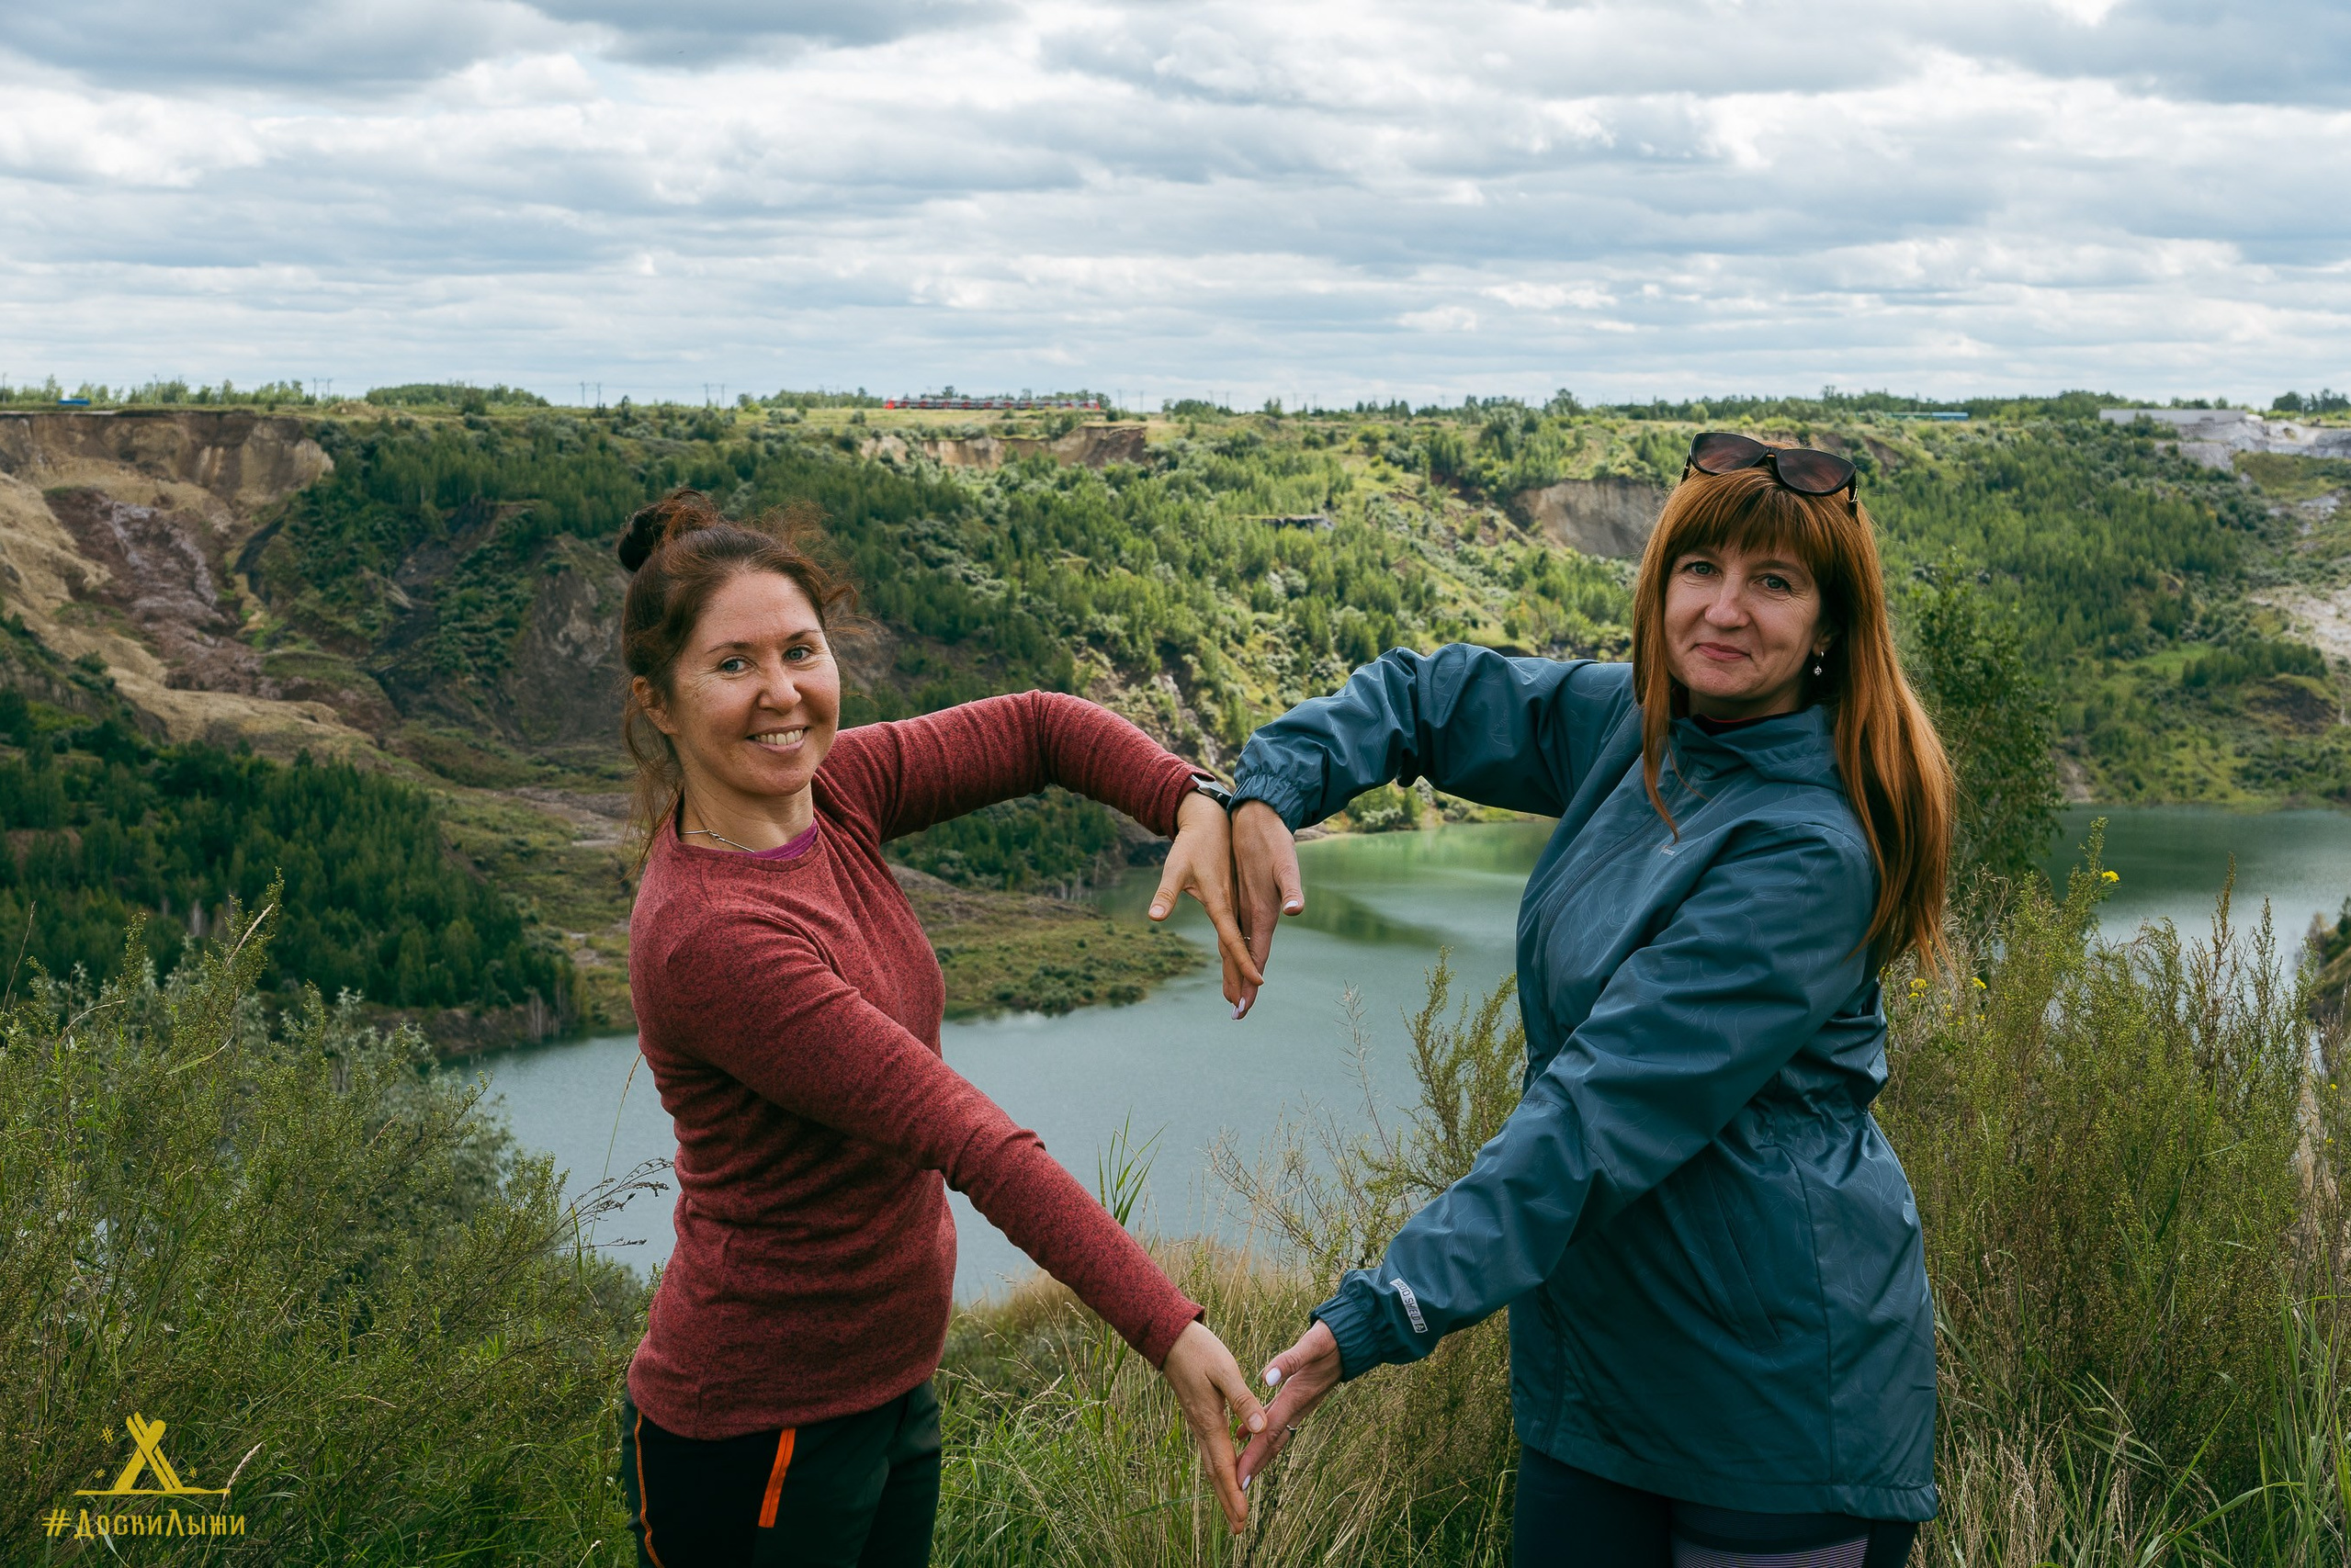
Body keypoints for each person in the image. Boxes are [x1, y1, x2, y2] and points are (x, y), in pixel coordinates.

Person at [1226, 434, 1953, 1568]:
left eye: (1774, 582)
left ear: (1829, 628)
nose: (1723, 610)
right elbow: (1433, 696)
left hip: (1772, 1414)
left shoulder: (1810, 851)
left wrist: (1385, 1307)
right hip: (1601, 1384)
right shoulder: (1646, 730)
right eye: (1698, 569)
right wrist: (1273, 786)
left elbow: (1598, 1111)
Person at [608, 490, 1268, 1566]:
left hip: (889, 1386)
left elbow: (1038, 726)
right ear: (661, 703)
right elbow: (970, 1139)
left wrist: (1192, 798)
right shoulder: (711, 938)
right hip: (759, 1429)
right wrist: (1167, 1325)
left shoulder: (840, 791)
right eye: (732, 665)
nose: (782, 694)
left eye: (801, 651)